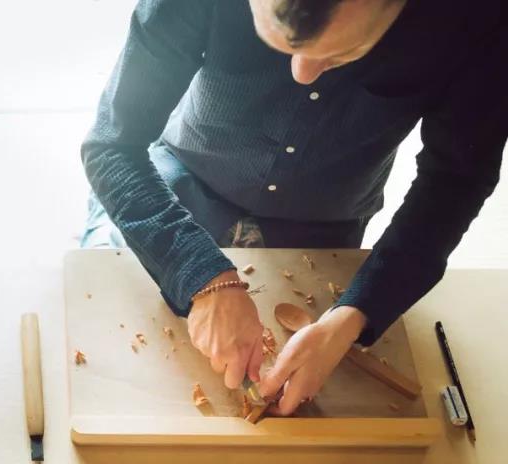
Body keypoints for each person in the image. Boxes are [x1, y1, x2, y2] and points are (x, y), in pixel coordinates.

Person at [82, 0, 506, 414]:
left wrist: (354, 316)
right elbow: (112, 146)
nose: (302, 74)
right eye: (278, 42)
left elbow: (456, 181)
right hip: (175, 187)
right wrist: (198, 274)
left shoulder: (479, 18)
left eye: (343, 53)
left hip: (324, 225)